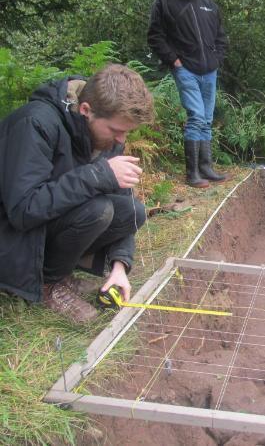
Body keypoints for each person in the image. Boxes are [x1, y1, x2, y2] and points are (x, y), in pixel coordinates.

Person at [0, 64, 154, 323]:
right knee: (98, 211)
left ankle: (63, 273)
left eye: (127, 132)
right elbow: (22, 210)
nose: (121, 140)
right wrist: (97, 175)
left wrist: (120, 266)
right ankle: (49, 284)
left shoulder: (104, 137)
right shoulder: (35, 123)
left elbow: (124, 201)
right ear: (86, 111)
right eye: (117, 130)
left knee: (133, 211)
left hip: (48, 224)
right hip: (12, 238)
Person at [148, 0, 228, 188]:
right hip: (185, 69)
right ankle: (192, 173)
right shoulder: (164, 2)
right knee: (197, 117)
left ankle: (206, 168)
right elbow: (154, 36)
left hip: (210, 70)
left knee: (207, 119)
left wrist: (217, 59)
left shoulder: (208, 4)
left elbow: (221, 37)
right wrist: (173, 60)